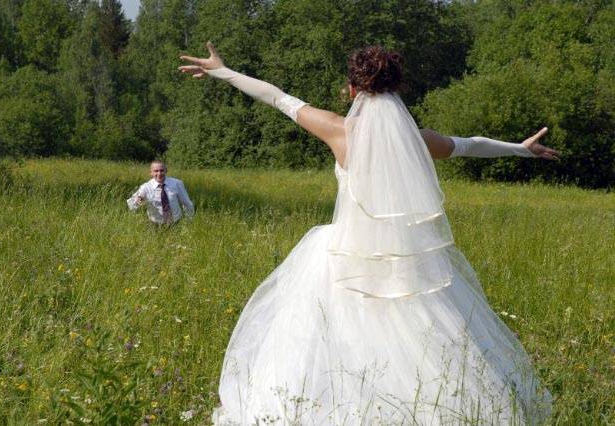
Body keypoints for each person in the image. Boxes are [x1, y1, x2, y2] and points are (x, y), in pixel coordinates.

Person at [180, 43, 557, 425]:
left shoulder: (336, 129)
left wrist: (222, 71)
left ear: (352, 89)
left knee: (326, 344)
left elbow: (276, 97)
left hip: (341, 259)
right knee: (419, 342)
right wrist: (520, 149)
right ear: (396, 91)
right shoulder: (418, 139)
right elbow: (468, 145)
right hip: (404, 262)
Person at [127, 160, 195, 224]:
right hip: (155, 225)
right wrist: (138, 201)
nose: (159, 173)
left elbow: (187, 203)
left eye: (161, 170)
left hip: (176, 222)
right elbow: (132, 205)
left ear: (166, 171)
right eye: (156, 171)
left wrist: (189, 220)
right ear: (151, 173)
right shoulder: (146, 187)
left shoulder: (177, 183)